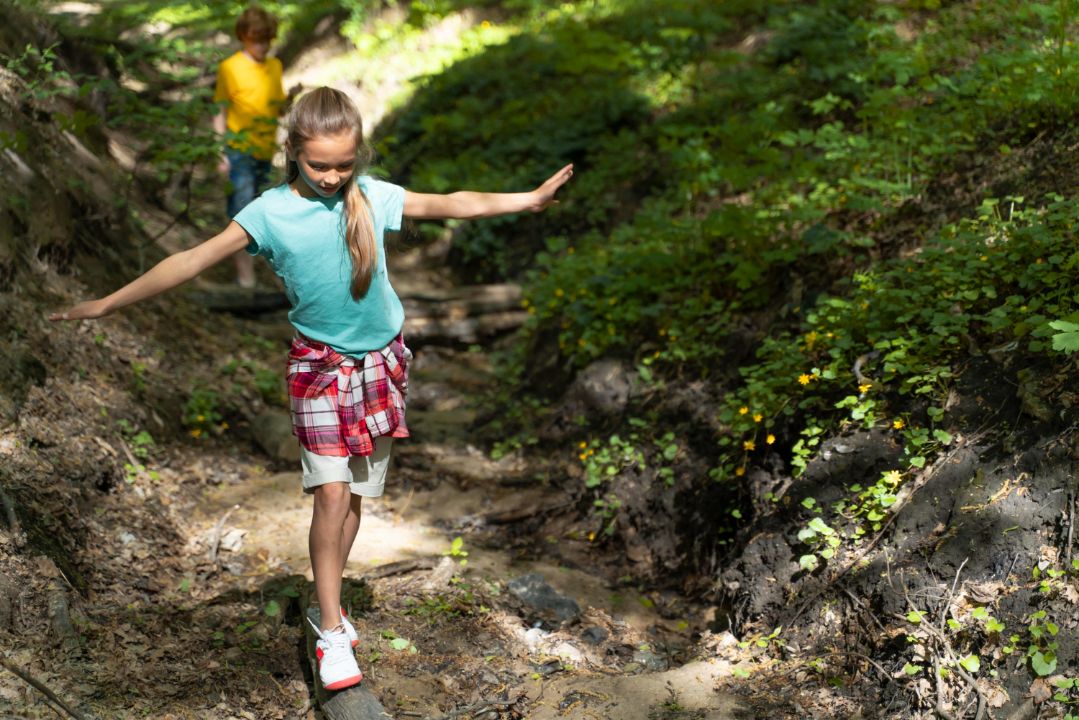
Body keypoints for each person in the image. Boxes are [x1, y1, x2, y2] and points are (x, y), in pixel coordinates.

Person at [51, 86, 574, 691]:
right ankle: (330, 628)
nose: (331, 176)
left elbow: (452, 202)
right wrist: (108, 302)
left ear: (359, 157)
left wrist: (528, 199)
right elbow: (192, 258)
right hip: (319, 370)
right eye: (317, 164)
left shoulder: (372, 197)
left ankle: (334, 598)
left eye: (343, 164)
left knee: (353, 500)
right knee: (329, 496)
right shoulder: (268, 212)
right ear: (293, 153)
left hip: (380, 367)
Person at [213, 5, 298, 289]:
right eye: (257, 39)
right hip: (239, 150)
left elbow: (277, 109)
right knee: (241, 213)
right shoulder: (230, 67)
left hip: (265, 151)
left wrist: (291, 99)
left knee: (267, 215)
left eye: (267, 39)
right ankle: (245, 279)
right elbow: (220, 110)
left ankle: (271, 277)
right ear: (244, 36)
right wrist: (219, 151)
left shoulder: (274, 66)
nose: (263, 45)